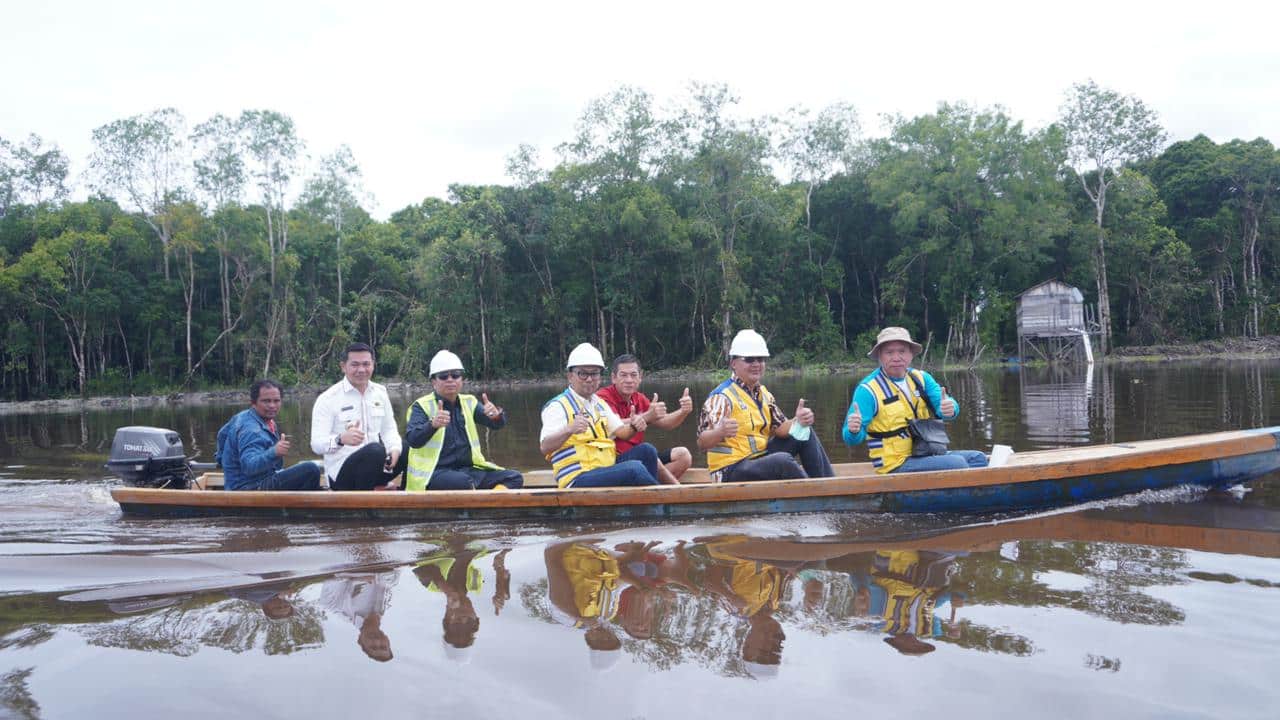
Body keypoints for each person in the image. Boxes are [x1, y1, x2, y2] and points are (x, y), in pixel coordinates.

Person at [842, 327, 988, 474]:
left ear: (911, 354)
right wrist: (854, 430)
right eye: (889, 352)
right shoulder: (867, 390)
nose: (896, 357)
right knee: (958, 463)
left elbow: (945, 406)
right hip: (895, 464)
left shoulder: (922, 378)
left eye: (902, 351)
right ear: (880, 356)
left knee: (978, 458)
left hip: (925, 452)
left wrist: (950, 409)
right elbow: (850, 439)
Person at [696, 330, 834, 483]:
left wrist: (798, 421)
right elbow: (702, 443)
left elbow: (781, 429)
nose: (756, 364)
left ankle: (828, 486)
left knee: (804, 432)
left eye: (760, 359)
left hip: (757, 460)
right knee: (782, 462)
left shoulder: (763, 394)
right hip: (730, 470)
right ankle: (815, 497)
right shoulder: (721, 397)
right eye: (749, 359)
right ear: (733, 364)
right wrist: (720, 432)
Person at [539, 343, 660, 488]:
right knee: (634, 469)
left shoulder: (599, 403)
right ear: (570, 376)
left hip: (603, 470)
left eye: (594, 373)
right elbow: (545, 447)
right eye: (583, 374)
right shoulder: (558, 406)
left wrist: (634, 426)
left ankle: (648, 503)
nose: (589, 379)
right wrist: (569, 429)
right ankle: (659, 504)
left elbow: (623, 433)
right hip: (578, 478)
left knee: (647, 450)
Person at [402, 350, 524, 491]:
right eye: (443, 376)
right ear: (433, 381)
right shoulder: (421, 406)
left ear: (462, 380)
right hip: (435, 473)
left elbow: (496, 424)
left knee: (514, 477)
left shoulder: (469, 402)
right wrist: (432, 425)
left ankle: (491, 499)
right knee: (463, 482)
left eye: (455, 375)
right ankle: (480, 498)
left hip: (468, 470)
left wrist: (496, 415)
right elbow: (412, 439)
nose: (450, 380)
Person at [310, 342, 405, 490]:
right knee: (375, 450)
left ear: (373, 365)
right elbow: (316, 444)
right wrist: (340, 439)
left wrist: (395, 449)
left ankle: (397, 491)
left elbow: (389, 430)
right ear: (343, 366)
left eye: (366, 364)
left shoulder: (380, 393)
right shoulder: (328, 399)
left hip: (375, 468)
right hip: (343, 476)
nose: (361, 370)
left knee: (407, 447)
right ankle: (364, 505)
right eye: (355, 365)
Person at [596, 354, 694, 485]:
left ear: (640, 377)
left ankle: (652, 488)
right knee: (648, 452)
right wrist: (647, 416)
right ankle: (676, 492)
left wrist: (683, 411)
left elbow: (666, 423)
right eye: (623, 375)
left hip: (640, 458)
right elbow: (612, 424)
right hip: (613, 461)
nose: (629, 380)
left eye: (633, 375)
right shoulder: (602, 398)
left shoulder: (639, 398)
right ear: (614, 378)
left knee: (683, 456)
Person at [216, 379, 322, 491]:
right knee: (310, 469)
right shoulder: (251, 430)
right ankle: (303, 508)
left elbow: (222, 434)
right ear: (253, 402)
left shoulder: (247, 417)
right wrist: (274, 452)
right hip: (247, 489)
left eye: (276, 401)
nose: (272, 405)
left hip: (245, 483)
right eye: (266, 401)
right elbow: (249, 467)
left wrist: (220, 460)